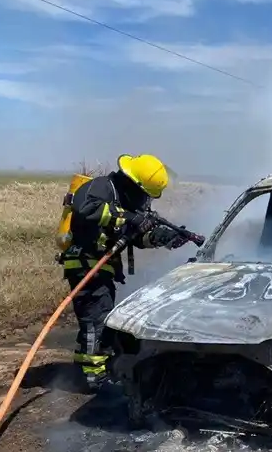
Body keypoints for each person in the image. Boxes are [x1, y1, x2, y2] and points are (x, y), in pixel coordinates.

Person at [59, 154, 189, 391]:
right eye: (145, 194)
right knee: (96, 319)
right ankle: (93, 377)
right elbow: (85, 207)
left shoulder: (127, 201)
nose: (145, 200)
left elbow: (136, 237)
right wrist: (130, 218)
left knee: (97, 317)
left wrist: (162, 238)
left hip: (100, 265)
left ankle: (86, 367)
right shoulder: (101, 187)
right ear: (133, 184)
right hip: (85, 263)